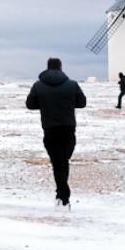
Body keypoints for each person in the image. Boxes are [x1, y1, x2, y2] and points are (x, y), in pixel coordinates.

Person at [25, 57, 86, 209]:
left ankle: (62, 195)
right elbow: (82, 103)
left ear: (47, 67)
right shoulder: (72, 84)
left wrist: (45, 102)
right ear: (60, 68)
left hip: (50, 128)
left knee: (58, 162)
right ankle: (63, 197)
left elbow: (30, 104)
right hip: (68, 128)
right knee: (63, 161)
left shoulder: (38, 86)